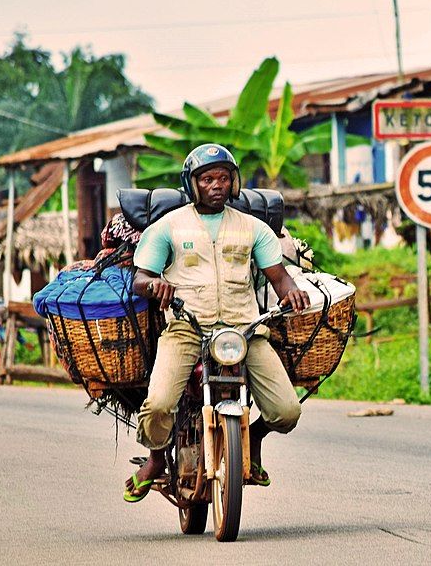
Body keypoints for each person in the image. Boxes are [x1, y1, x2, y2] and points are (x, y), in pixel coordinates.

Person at [124, 143, 311, 503]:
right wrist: (156, 284)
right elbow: (140, 278)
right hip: (186, 327)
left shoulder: (253, 228)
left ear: (234, 183)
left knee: (287, 410)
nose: (216, 185)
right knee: (160, 403)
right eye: (207, 178)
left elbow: (279, 276)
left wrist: (292, 292)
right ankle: (156, 458)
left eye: (224, 178)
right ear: (192, 184)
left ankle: (252, 440)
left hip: (244, 330)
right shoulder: (168, 227)